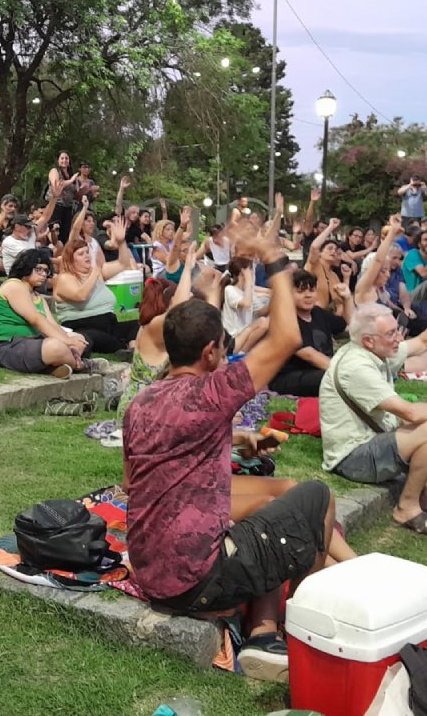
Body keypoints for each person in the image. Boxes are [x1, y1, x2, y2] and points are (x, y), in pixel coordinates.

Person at [124, 233, 357, 680]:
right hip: (195, 582)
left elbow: (138, 479)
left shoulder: (143, 402)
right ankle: (284, 627)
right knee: (316, 498)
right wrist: (275, 261)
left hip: (150, 572)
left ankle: (338, 579)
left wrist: (240, 442)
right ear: (212, 352)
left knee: (278, 498)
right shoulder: (214, 391)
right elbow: (286, 336)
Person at [319, 301, 427, 539]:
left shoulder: (374, 350)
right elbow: (411, 413)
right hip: (352, 457)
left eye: (397, 330)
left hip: (374, 439)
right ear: (368, 341)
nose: (399, 337)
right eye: (391, 333)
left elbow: (425, 341)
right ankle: (406, 507)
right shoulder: (356, 367)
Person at [0, 249, 98, 378]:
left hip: (35, 342)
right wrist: (68, 342)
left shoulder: (38, 297)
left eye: (46, 271)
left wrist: (71, 339)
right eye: (38, 269)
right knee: (56, 347)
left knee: (80, 339)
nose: (43, 274)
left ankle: (53, 367)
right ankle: (82, 365)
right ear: (25, 268)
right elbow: (35, 319)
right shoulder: (14, 285)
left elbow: (52, 324)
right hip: (9, 346)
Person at [269, 269, 351, 398]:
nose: (308, 295)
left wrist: (347, 298)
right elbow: (309, 355)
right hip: (290, 377)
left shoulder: (318, 313)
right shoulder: (284, 320)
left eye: (312, 290)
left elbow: (349, 325)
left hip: (319, 369)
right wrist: (342, 371)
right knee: (332, 379)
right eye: (301, 291)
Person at [53, 236, 140, 354]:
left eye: (87, 252)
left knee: (136, 324)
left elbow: (123, 263)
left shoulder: (97, 271)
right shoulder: (64, 278)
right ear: (70, 259)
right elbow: (81, 296)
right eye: (81, 254)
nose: (87, 256)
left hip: (109, 323)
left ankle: (132, 350)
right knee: (95, 338)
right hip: (82, 327)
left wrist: (121, 242)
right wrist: (94, 272)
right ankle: (118, 347)